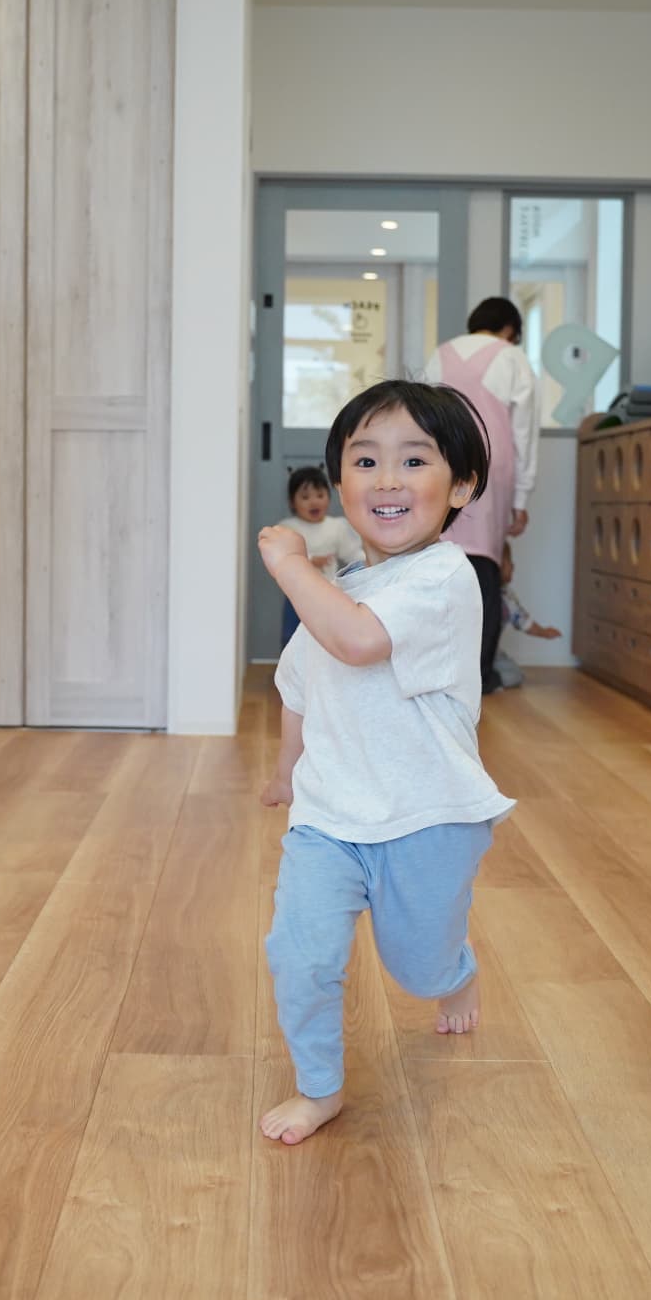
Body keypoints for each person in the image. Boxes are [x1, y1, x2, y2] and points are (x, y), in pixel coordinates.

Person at [256, 379, 516, 1146]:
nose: (388, 479)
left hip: (427, 815)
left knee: (416, 966)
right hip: (329, 818)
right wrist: (286, 771)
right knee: (300, 954)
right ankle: (319, 1086)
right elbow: (298, 686)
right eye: (366, 461)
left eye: (414, 460)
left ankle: (453, 971)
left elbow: (360, 640)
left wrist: (290, 566)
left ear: (460, 485)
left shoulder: (444, 577)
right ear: (340, 483)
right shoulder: (337, 593)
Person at [424, 297, 540, 694]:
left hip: (442, 466)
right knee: (483, 569)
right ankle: (480, 675)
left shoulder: (440, 354)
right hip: (491, 472)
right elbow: (524, 432)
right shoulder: (512, 357)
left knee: (434, 563)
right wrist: (521, 499)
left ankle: (434, 671)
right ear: (510, 330)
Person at [275, 465, 364, 647]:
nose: (314, 502)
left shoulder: (336, 526)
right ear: (292, 502)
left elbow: (352, 552)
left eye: (320, 495)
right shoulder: (288, 527)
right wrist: (309, 559)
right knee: (292, 638)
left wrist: (371, 561)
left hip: (329, 593)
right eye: (305, 497)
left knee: (327, 638)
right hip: (297, 595)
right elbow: (282, 555)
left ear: (329, 497)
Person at [493, 541, 561, 690]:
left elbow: (523, 621)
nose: (513, 567)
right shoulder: (505, 598)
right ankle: (488, 679)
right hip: (484, 655)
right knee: (515, 675)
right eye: (509, 563)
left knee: (513, 672)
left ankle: (481, 679)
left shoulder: (506, 595)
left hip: (491, 654)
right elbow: (524, 623)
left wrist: (544, 632)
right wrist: (543, 632)